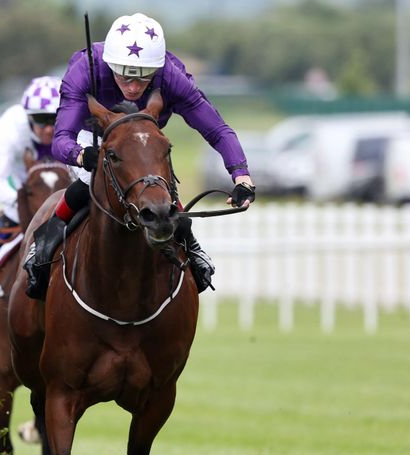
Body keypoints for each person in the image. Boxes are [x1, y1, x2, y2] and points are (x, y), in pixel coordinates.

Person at [24, 13, 256, 299]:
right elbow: (62, 140)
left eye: (143, 78)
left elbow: (217, 130)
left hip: (144, 137)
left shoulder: (171, 76)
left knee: (160, 188)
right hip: (93, 136)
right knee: (90, 179)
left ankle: (191, 246)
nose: (134, 88)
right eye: (124, 76)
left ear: (157, 69)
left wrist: (241, 175)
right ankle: (45, 243)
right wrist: (83, 155)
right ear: (110, 65)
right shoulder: (85, 69)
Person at [0, 76, 62, 299]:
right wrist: (23, 204)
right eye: (40, 120)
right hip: (20, 185)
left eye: (55, 120)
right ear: (27, 118)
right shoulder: (9, 128)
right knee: (13, 215)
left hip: (61, 187)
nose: (48, 129)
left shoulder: (75, 125)